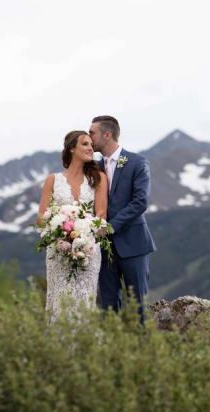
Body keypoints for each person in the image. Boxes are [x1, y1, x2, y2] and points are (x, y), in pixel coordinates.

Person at [89, 115, 156, 323]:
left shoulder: (137, 162)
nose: (89, 138)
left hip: (133, 245)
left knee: (139, 306)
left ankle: (143, 344)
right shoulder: (94, 168)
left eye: (92, 133)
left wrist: (110, 227)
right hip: (103, 249)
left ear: (107, 135)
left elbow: (140, 202)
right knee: (108, 308)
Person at [37, 131, 108, 323]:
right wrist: (61, 228)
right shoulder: (53, 180)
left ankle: (84, 340)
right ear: (71, 148)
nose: (91, 148)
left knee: (84, 302)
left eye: (91, 145)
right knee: (59, 302)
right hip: (58, 252)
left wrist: (82, 232)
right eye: (85, 144)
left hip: (88, 250)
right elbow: (41, 219)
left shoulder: (98, 178)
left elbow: (101, 215)